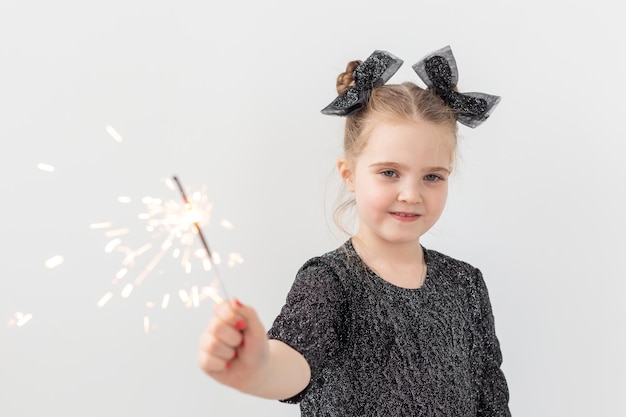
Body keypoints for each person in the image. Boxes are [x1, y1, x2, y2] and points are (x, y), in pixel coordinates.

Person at [198, 46, 511, 416]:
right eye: (389, 173)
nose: (411, 195)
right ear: (349, 175)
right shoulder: (330, 281)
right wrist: (259, 366)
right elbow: (294, 364)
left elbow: (490, 398)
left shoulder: (466, 284)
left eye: (432, 177)